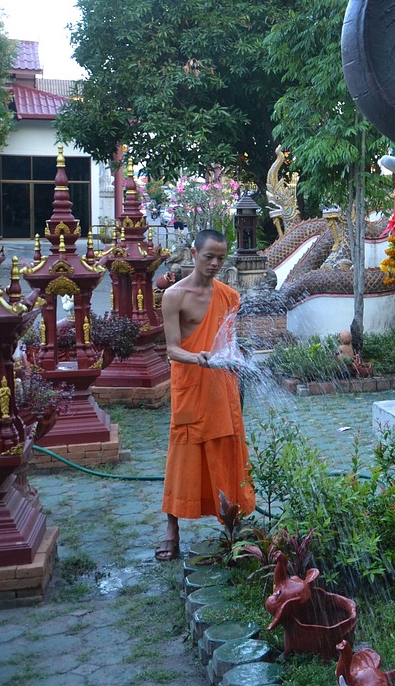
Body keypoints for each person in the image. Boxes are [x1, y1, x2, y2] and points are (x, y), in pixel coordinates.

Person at [156, 229, 255, 561]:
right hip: (190, 383)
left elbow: (230, 341)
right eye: (209, 256)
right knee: (183, 455)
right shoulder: (174, 296)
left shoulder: (229, 296)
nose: (215, 263)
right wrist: (197, 358)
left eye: (221, 258)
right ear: (193, 253)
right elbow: (171, 349)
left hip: (221, 386)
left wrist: (238, 360)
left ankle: (231, 525)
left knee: (226, 450)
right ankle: (172, 530)